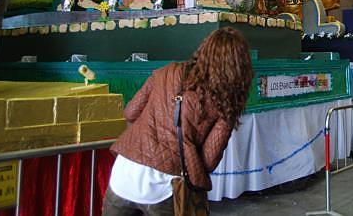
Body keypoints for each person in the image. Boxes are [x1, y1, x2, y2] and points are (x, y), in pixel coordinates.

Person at [103, 27, 253, 215]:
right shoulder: (225, 103)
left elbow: (131, 112)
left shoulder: (166, 72)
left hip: (125, 174)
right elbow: (208, 161)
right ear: (240, 68)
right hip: (166, 188)